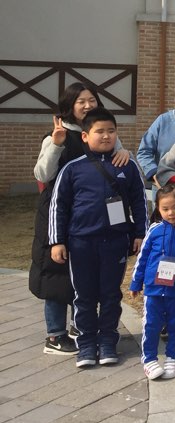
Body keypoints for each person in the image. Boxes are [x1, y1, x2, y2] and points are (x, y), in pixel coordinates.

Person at [32, 82, 130, 355]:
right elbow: (42, 174)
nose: (88, 105)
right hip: (59, 213)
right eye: (81, 101)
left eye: (92, 100)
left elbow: (117, 164)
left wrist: (125, 152)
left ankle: (80, 327)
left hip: (92, 217)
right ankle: (55, 335)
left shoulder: (102, 130)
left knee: (86, 274)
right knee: (56, 274)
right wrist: (56, 144)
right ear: (70, 105)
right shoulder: (58, 134)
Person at [48, 107, 147, 368]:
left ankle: (108, 342)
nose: (106, 136)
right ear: (85, 136)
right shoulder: (72, 169)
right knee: (84, 295)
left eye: (111, 131)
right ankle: (87, 344)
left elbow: (139, 201)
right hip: (81, 242)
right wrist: (57, 241)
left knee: (111, 294)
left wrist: (140, 234)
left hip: (115, 242)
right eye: (99, 131)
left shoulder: (127, 166)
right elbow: (58, 206)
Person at [129, 184, 175, 380]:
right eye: (165, 209)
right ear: (158, 209)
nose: (171, 213)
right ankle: (149, 359)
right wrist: (136, 283)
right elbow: (143, 257)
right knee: (151, 324)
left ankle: (173, 358)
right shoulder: (154, 230)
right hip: (153, 289)